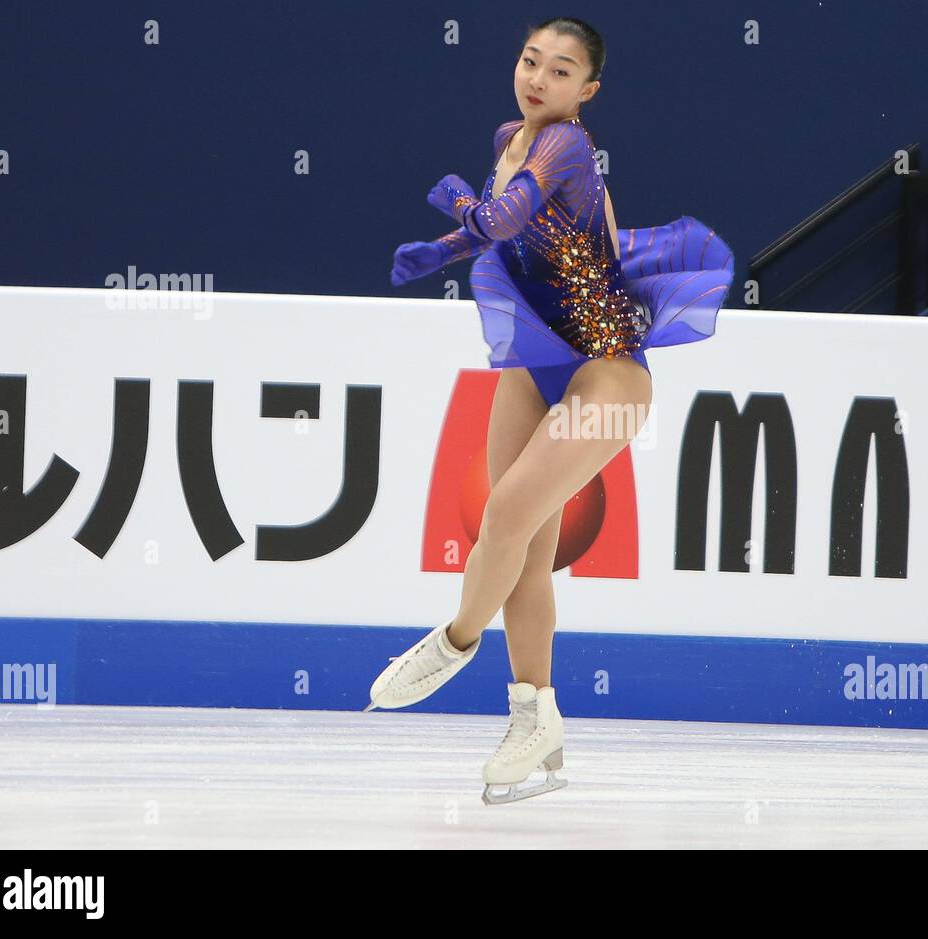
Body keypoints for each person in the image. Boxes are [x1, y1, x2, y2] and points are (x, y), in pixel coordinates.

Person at [370, 16, 734, 804]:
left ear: (587, 91)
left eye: (561, 71)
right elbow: (504, 237)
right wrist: (444, 244)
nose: (540, 79)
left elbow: (498, 217)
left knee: (504, 514)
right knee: (523, 546)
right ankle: (536, 718)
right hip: (536, 361)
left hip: (605, 375)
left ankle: (455, 640)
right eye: (531, 61)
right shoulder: (511, 134)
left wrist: (457, 211)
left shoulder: (565, 143)